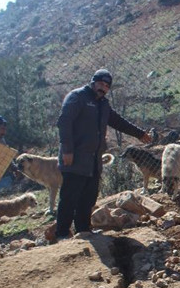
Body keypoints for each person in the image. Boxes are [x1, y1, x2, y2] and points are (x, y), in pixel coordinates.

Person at [55, 69, 151, 240]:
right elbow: (64, 122)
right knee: (69, 196)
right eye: (100, 83)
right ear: (93, 82)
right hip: (75, 158)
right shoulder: (77, 97)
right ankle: (62, 233)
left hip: (93, 161)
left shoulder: (103, 104)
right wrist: (67, 150)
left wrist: (139, 134)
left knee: (88, 197)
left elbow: (118, 122)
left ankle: (83, 230)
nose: (103, 88)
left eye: (107, 86)